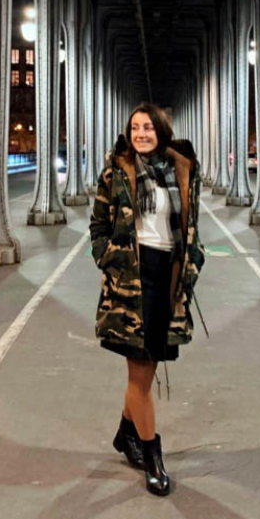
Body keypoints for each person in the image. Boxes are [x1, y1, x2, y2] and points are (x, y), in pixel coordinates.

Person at [89, 102, 205, 497]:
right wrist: (110, 259)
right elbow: (98, 225)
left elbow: (191, 227)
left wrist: (193, 264)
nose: (141, 134)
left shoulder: (182, 171)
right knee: (139, 372)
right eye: (135, 128)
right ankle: (153, 457)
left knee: (148, 366)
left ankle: (126, 434)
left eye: (148, 128)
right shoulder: (116, 172)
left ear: (161, 131)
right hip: (131, 280)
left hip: (166, 277)